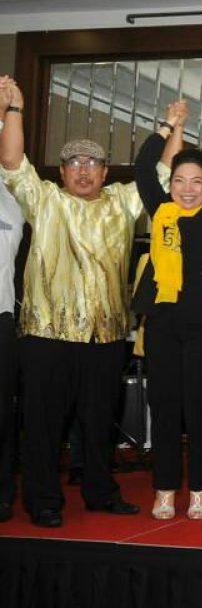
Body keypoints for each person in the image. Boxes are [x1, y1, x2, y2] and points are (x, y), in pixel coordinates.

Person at [0, 75, 155, 527]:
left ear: (105, 172)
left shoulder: (123, 202)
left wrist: (172, 129)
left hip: (105, 336)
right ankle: (43, 501)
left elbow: (162, 174)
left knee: (100, 421)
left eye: (93, 163)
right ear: (62, 172)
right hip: (47, 335)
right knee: (44, 423)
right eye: (73, 163)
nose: (83, 170)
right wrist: (15, 109)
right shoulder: (44, 199)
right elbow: (12, 160)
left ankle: (100, 492)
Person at [133, 103, 202, 520]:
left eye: (197, 182)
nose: (187, 189)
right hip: (163, 323)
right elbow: (143, 169)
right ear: (171, 183)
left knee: (200, 409)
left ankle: (199, 489)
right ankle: (164, 488)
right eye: (179, 180)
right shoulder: (162, 212)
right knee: (164, 407)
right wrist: (168, 126)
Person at [0, 123, 22, 524]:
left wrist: (9, 111)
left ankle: (2, 494)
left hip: (1, 315)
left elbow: (12, 157)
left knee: (2, 413)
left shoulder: (13, 198)